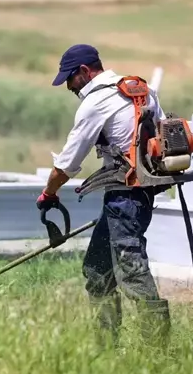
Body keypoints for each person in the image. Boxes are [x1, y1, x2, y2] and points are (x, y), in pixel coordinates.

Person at [36, 44, 171, 348]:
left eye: (70, 79)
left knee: (132, 271)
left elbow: (67, 164)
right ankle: (105, 347)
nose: (69, 87)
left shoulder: (96, 102)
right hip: (139, 195)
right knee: (97, 269)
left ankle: (158, 352)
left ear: (85, 71)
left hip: (126, 197)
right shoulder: (140, 89)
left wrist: (49, 194)